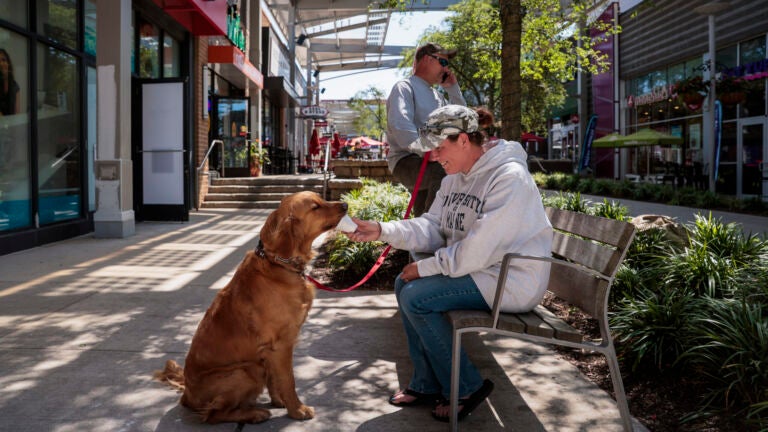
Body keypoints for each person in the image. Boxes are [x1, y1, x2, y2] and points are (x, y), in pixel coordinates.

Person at [346, 105, 553, 422]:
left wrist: (426, 268)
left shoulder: (509, 178)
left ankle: (466, 388)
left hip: (512, 281)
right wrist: (381, 230)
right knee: (404, 284)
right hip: (482, 272)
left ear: (464, 140)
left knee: (417, 296)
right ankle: (426, 384)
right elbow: (431, 227)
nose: (434, 157)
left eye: (440, 148)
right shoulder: (455, 179)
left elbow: (477, 251)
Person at [386, 42, 466, 216]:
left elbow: (461, 121)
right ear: (427, 59)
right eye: (443, 63)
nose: (446, 70)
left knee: (421, 210)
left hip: (433, 158)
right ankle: (432, 232)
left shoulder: (438, 96)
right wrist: (426, 151)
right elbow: (400, 125)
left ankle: (419, 237)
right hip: (407, 159)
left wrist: (453, 89)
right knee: (443, 171)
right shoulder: (404, 87)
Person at [0, 48, 20, 116]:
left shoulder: (15, 86)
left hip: (12, 124)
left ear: (8, 64)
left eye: (3, 60)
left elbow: (17, 113)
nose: (1, 64)